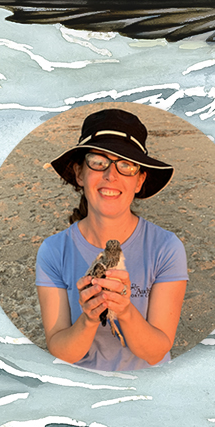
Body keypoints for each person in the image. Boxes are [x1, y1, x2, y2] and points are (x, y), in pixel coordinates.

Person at [35, 108, 188, 371]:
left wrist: (125, 311)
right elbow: (63, 351)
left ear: (140, 180)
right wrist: (90, 318)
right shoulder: (53, 251)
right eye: (98, 161)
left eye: (126, 165)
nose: (111, 175)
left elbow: (154, 353)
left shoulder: (166, 248)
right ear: (79, 173)